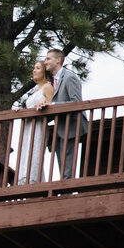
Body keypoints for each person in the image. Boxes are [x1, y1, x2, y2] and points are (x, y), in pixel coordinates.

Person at [38, 46, 86, 178]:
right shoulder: (54, 81)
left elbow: (76, 103)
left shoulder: (69, 77)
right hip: (61, 127)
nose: (45, 62)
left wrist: (52, 105)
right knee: (63, 165)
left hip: (71, 125)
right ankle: (64, 188)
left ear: (58, 60)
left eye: (48, 59)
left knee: (68, 166)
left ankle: (66, 191)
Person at [16, 57, 54, 184]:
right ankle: (25, 181)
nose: (34, 71)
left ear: (44, 71)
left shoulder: (48, 87)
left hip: (38, 126)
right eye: (34, 68)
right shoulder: (35, 91)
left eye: (37, 68)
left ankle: (34, 181)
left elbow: (51, 104)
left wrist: (45, 103)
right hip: (28, 126)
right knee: (26, 153)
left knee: (34, 153)